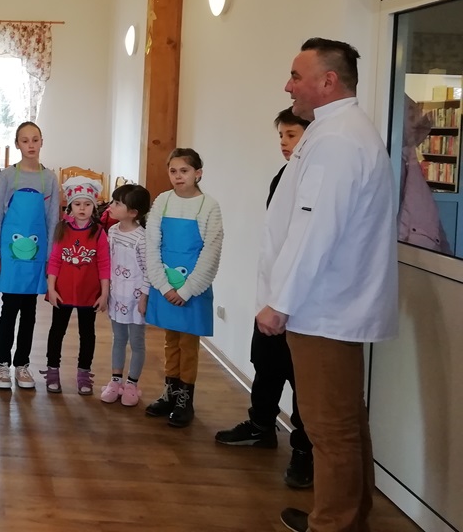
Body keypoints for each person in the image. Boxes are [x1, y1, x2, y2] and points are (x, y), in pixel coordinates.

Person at [257, 39, 397, 532]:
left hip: (323, 308)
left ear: (328, 81)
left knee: (329, 428)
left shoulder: (338, 140)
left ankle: (333, 524)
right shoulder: (337, 130)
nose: (288, 85)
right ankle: (348, 516)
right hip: (329, 304)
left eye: (296, 76)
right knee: (345, 421)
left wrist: (280, 301)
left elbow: (315, 229)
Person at [216, 108, 314, 489]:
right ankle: (260, 426)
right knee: (267, 361)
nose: (285, 144)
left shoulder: (316, 179)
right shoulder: (283, 176)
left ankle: (304, 450)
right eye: (282, 137)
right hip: (273, 291)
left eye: (292, 135)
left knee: (302, 377)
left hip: (302, 299)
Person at [144, 148, 224, 427]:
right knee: (171, 341)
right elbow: (151, 245)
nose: (178, 176)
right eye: (173, 171)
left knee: (188, 344)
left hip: (193, 290)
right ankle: (170, 392)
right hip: (165, 286)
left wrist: (187, 290)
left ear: (198, 173)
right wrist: (163, 285)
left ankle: (185, 400)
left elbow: (211, 252)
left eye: (185, 171)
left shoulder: (208, 206)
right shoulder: (162, 201)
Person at [0, 122, 59, 390]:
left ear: (42, 142)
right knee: (9, 309)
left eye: (35, 140)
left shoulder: (49, 178)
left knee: (29, 311)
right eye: (25, 140)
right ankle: (2, 364)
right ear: (17, 144)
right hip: (10, 255)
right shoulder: (7, 176)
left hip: (37, 256)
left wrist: (51, 259)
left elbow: (53, 221)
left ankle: (22, 365)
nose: (31, 145)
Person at [43, 176, 110, 395]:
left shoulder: (99, 232)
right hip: (62, 291)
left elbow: (104, 264)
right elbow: (55, 260)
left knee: (87, 334)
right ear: (70, 206)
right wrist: (51, 288)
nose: (82, 208)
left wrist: (104, 293)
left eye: (87, 204)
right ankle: (52, 370)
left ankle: (83, 373)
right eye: (78, 204)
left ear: (94, 206)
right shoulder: (62, 229)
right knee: (57, 331)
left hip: (88, 293)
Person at [100, 183, 152, 407]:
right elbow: (107, 263)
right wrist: (106, 292)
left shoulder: (142, 238)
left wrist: (144, 298)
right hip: (117, 296)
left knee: (137, 342)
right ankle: (115, 381)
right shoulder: (112, 231)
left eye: (117, 203)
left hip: (136, 300)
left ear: (133, 212)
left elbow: (149, 270)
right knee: (118, 339)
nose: (111, 206)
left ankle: (131, 384)